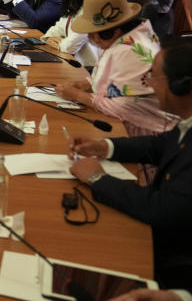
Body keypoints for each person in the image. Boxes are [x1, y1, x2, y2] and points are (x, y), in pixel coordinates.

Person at [68, 37, 192, 289]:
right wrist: (106, 146)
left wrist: (97, 178)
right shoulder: (186, 122)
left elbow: (161, 208)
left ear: (180, 86)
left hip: (175, 265)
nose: (148, 84)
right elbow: (159, 145)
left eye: (154, 77)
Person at [57, 0, 174, 138]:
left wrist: (76, 95)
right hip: (118, 123)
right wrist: (86, 83)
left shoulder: (131, 51)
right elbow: (116, 80)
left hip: (140, 134)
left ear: (113, 30)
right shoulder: (124, 38)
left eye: (95, 32)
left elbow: (122, 106)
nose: (92, 39)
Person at [41, 0, 102, 68]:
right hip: (69, 61)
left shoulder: (90, 8)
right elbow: (55, 30)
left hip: (87, 68)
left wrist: (59, 42)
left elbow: (70, 47)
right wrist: (48, 38)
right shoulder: (74, 4)